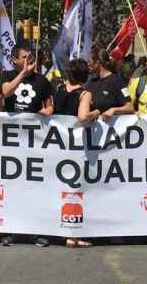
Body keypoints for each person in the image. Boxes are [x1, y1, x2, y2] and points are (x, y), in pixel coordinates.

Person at [0, 45, 53, 248]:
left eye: (32, 57)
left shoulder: (42, 80)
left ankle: (35, 231)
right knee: (12, 186)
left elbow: (49, 104)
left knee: (34, 187)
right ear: (15, 60)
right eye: (25, 57)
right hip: (12, 141)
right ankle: (11, 230)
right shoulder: (8, 74)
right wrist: (23, 73)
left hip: (33, 141)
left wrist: (47, 111)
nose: (30, 60)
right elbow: (5, 92)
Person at [52, 59, 92, 248]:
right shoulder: (84, 93)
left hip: (55, 143)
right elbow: (83, 117)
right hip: (74, 146)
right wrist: (96, 113)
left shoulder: (58, 89)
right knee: (74, 189)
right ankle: (72, 235)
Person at [83, 50, 132, 120]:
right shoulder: (92, 82)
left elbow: (130, 107)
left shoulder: (117, 81)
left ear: (97, 63)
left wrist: (114, 110)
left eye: (89, 61)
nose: (87, 64)